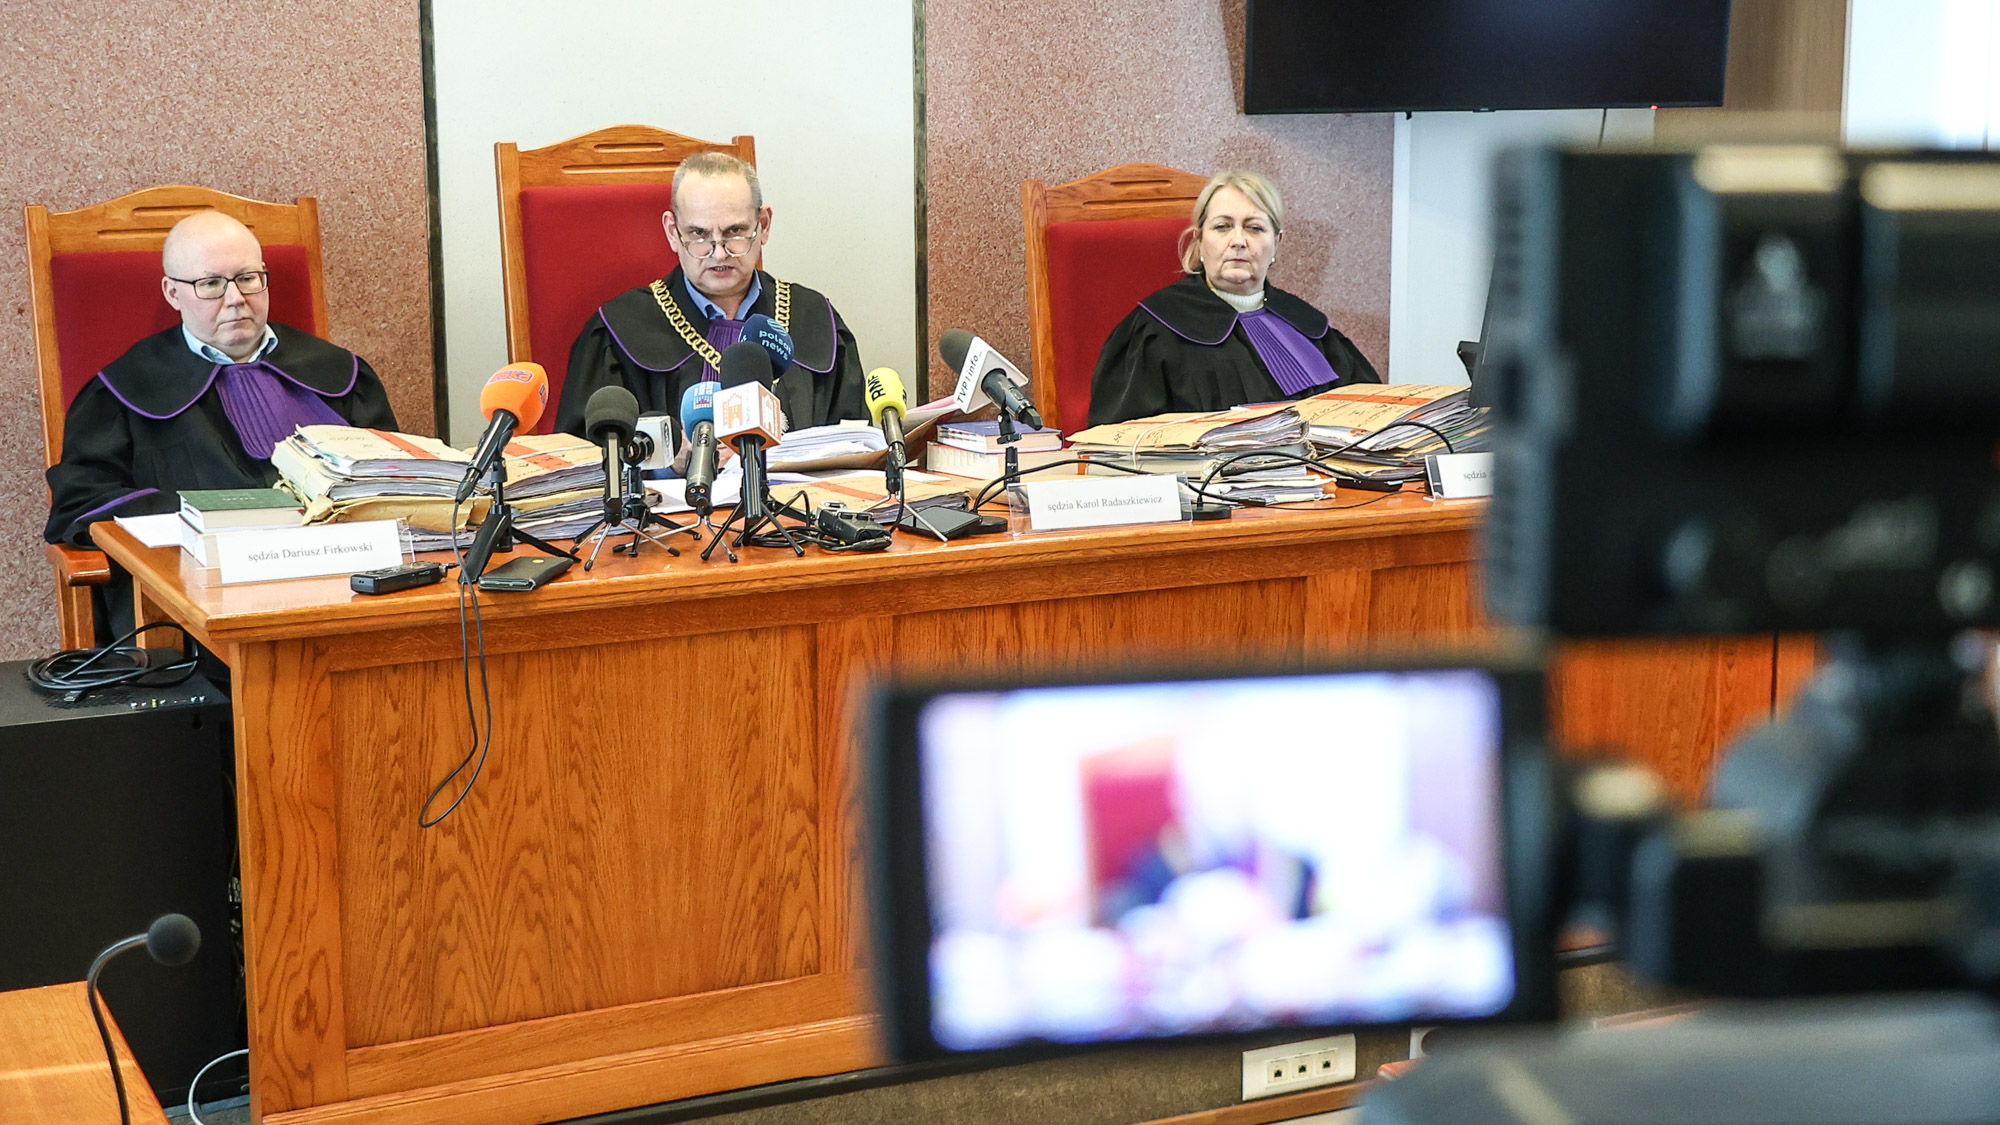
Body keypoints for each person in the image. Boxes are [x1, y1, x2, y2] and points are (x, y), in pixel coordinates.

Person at [44, 211, 398, 637]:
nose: (235, 299)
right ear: (172, 292)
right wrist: (195, 520)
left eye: (248, 278)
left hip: (348, 594)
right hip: (192, 609)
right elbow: (82, 503)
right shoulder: (120, 394)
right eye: (211, 283)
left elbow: (399, 485)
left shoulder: (342, 375)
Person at [556, 152, 867, 439]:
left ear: (763, 225)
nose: (719, 253)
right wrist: (662, 459)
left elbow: (857, 445)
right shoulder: (617, 329)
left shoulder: (814, 318)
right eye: (699, 234)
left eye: (734, 232)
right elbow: (584, 456)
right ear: (672, 232)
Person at [1087, 170, 1381, 426]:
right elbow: (1121, 443)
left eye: (1255, 228)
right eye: (1222, 226)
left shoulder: (1310, 328)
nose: (1238, 241)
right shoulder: (1153, 330)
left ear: (1277, 242)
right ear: (1200, 239)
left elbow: (1370, 421)